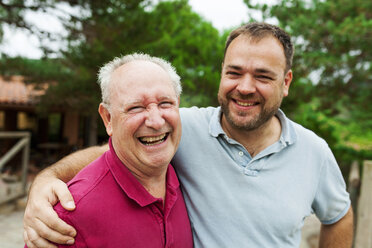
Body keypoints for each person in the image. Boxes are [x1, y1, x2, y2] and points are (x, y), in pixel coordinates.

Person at [24, 23, 353, 248]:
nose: (245, 87)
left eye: (263, 76)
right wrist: (45, 180)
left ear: (286, 82)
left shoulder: (315, 152)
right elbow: (114, 150)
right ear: (222, 73)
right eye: (234, 72)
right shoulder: (181, 127)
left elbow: (338, 215)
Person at [25, 53, 193, 247]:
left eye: (165, 103)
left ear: (178, 105)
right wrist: (44, 178)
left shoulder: (187, 173)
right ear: (107, 118)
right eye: (136, 107)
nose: (156, 121)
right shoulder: (67, 216)